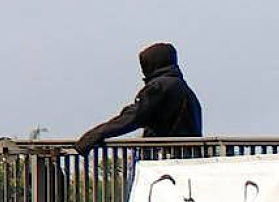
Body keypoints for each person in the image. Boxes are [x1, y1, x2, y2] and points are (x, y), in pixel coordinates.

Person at [74, 42, 203, 154]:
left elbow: (134, 116)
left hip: (166, 160)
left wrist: (95, 135)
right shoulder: (182, 88)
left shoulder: (160, 86)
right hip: (186, 159)